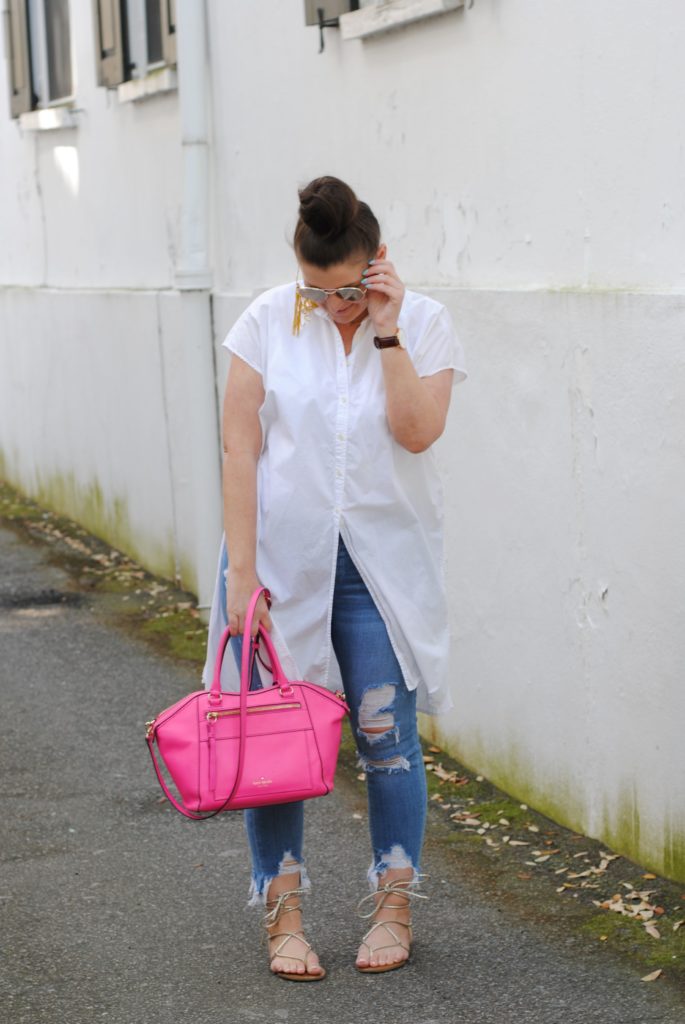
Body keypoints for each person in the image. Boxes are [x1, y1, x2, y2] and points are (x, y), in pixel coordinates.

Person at [202, 175, 468, 980]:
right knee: (275, 742)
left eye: (349, 288)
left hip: (379, 573)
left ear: (378, 264)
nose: (333, 305)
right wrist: (242, 576)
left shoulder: (423, 322)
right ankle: (282, 912)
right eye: (316, 292)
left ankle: (394, 904)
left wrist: (385, 333)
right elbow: (239, 449)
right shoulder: (265, 321)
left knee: (387, 741)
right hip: (279, 569)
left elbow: (417, 433)